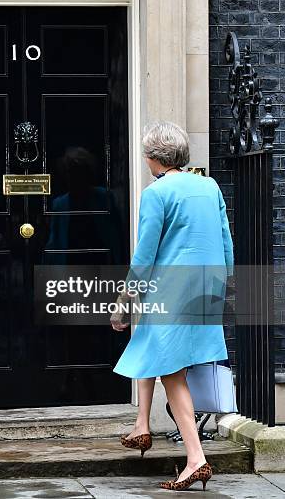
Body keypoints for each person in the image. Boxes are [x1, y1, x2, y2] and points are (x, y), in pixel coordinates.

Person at [111, 121, 234, 492]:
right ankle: (142, 425)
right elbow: (226, 241)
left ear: (152, 157)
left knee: (173, 372)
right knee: (153, 345)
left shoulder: (156, 193)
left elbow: (145, 255)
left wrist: (122, 301)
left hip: (170, 291)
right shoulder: (209, 185)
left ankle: (195, 458)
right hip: (206, 289)